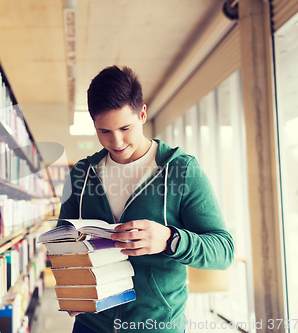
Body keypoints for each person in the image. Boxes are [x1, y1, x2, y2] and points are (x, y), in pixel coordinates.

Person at [57, 65, 234, 333]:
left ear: (142, 114)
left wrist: (170, 239)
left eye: (125, 127)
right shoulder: (81, 173)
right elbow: (63, 243)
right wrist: (73, 286)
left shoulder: (181, 171)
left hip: (155, 325)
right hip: (91, 325)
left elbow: (223, 250)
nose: (116, 141)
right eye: (104, 131)